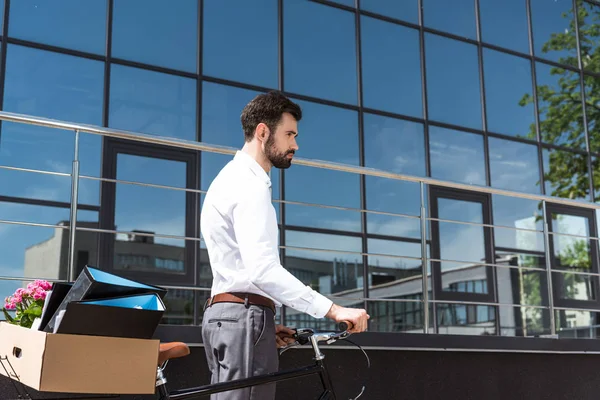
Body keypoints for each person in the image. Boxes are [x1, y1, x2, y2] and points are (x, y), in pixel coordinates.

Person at [199, 91, 370, 399]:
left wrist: (265, 321)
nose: (295, 145)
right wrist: (332, 309)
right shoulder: (248, 185)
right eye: (289, 134)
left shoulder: (228, 178)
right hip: (243, 317)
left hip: (233, 316)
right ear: (263, 132)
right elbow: (262, 269)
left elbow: (241, 268)